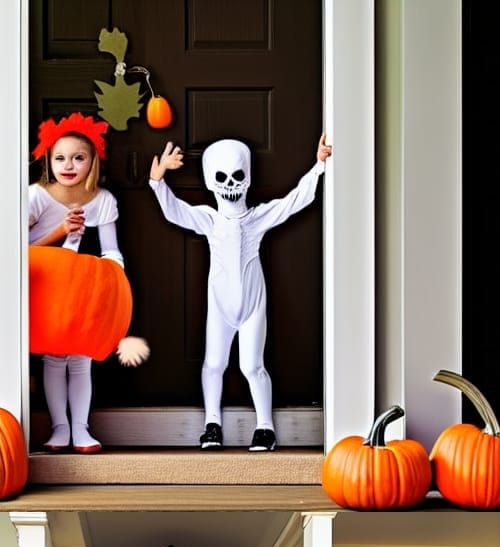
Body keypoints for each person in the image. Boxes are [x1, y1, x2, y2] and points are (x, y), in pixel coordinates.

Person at [148, 134, 332, 452]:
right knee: (213, 363)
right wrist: (157, 180)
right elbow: (175, 211)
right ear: (211, 182)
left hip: (252, 305)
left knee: (252, 365)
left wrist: (318, 165)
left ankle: (265, 427)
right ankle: (212, 424)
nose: (231, 183)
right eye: (222, 177)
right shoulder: (209, 219)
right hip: (219, 305)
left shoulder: (257, 218)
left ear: (247, 179)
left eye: (237, 175)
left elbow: (294, 201)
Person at [29, 113, 123, 453]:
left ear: (92, 162)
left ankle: (81, 429)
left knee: (81, 358)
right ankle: (59, 428)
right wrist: (60, 232)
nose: (68, 165)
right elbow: (12, 251)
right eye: (60, 158)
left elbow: (112, 251)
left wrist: (114, 281)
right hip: (44, 290)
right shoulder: (36, 197)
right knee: (54, 358)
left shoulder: (103, 201)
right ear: (49, 161)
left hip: (82, 292)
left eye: (78, 157)